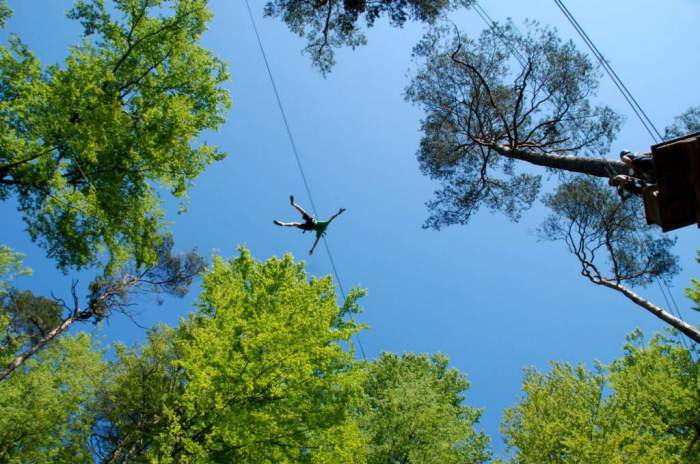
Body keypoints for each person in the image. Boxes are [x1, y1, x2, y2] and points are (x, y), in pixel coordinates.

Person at [274, 195, 346, 255]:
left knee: (302, 211)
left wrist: (339, 212)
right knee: (295, 224)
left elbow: (332, 218)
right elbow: (316, 241)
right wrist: (312, 249)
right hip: (309, 227)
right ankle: (283, 224)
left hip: (311, 222)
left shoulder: (325, 225)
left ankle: (293, 204)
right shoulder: (320, 231)